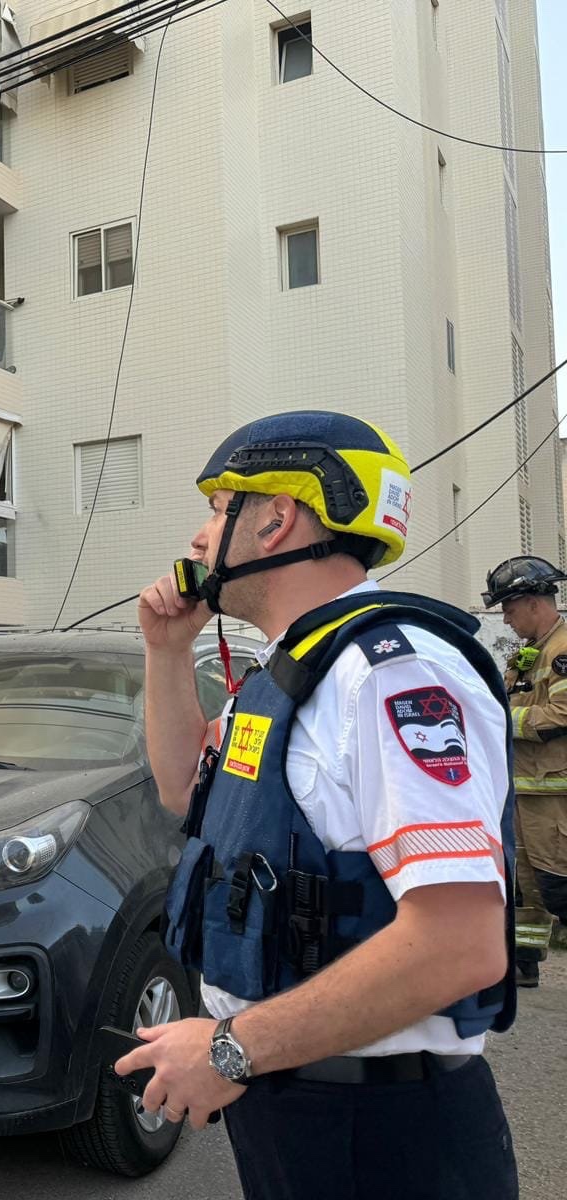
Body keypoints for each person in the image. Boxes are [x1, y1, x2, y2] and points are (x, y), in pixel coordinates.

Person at [122, 410, 517, 1198]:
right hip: (294, 1102)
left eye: (216, 508)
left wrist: (228, 1048)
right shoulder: (292, 674)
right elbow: (181, 791)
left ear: (277, 518)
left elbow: (461, 945)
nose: (198, 539)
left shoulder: (390, 677)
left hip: (384, 1134)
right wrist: (165, 653)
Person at [484, 555, 567, 985]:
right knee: (525, 889)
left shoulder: (562, 650)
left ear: (533, 602)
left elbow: (561, 712)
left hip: (555, 796)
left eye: (509, 609)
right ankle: (524, 963)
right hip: (527, 794)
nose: (506, 618)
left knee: (559, 884)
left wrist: (506, 722)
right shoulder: (533, 653)